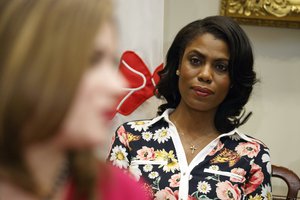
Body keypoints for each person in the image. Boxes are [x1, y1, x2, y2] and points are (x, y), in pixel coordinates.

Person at [108, 16, 272, 200]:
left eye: (221, 67)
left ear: (233, 80)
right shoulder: (129, 137)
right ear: (178, 65)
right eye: (195, 61)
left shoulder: (253, 154)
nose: (205, 75)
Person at [0, 0, 149, 199]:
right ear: (27, 64)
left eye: (112, 63)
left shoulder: (119, 191)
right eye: (92, 60)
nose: (115, 85)